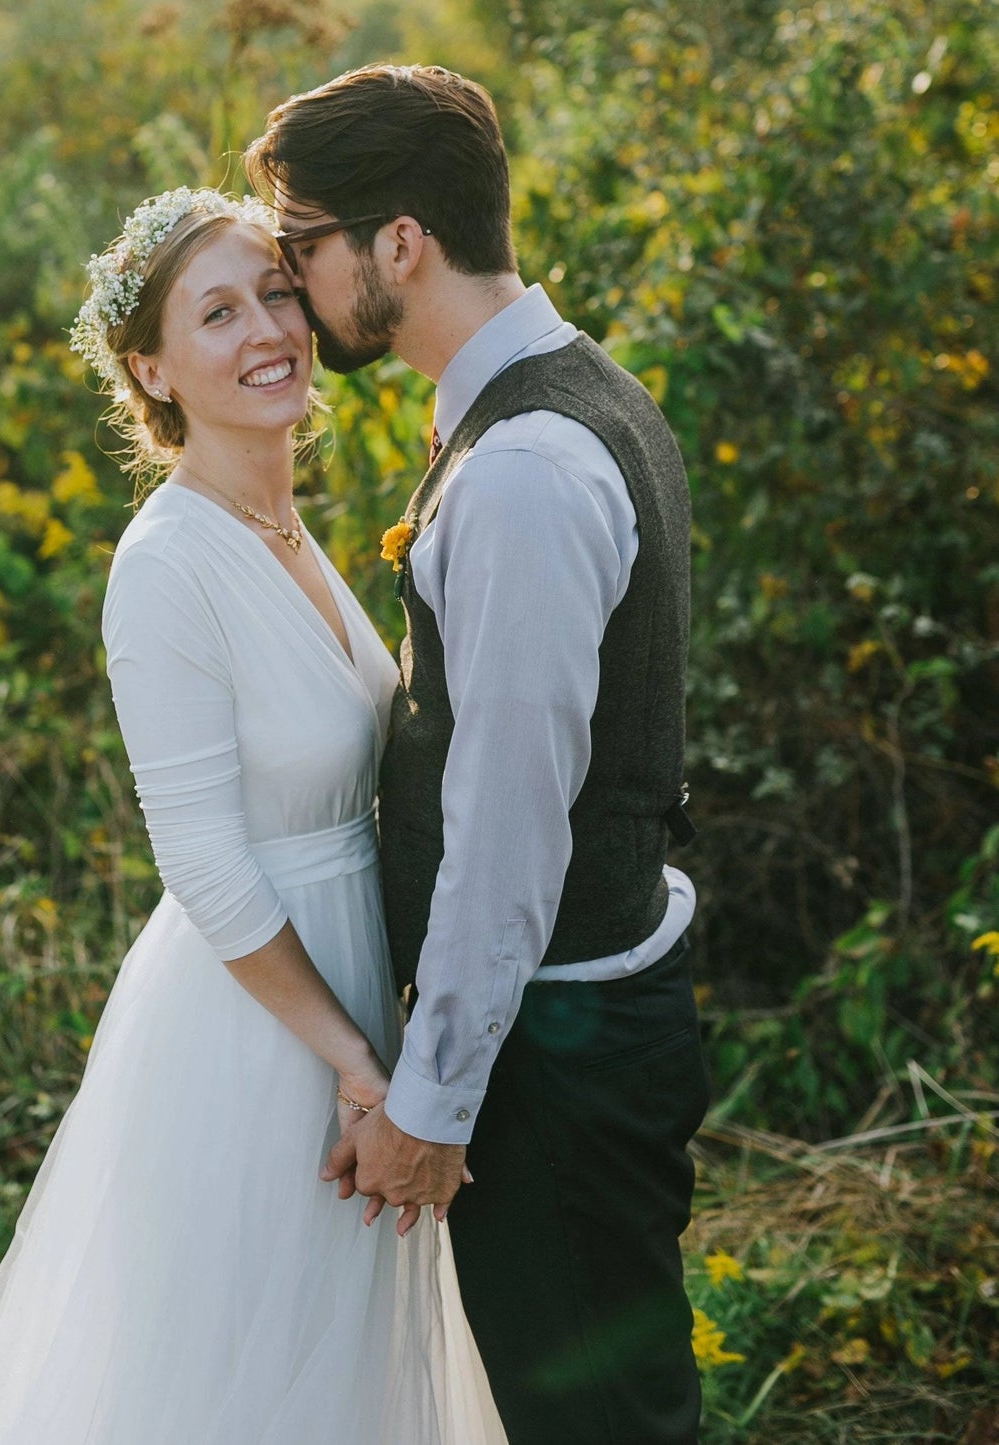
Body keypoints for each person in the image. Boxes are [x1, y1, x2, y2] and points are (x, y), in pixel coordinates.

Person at [0, 188, 506, 1444]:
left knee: (345, 1360)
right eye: (219, 311)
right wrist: (353, 1060)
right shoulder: (167, 562)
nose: (269, 330)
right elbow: (199, 859)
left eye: (278, 294)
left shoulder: (285, 525)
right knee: (237, 1365)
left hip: (354, 979)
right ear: (152, 367)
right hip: (257, 1028)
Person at [246, 64, 711, 1445]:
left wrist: (436, 1106)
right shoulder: (564, 401)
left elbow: (510, 819)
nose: (288, 285)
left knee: (602, 1424)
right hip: (579, 1007)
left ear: (399, 243)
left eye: (298, 247)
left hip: (558, 1049)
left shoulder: (521, 470)